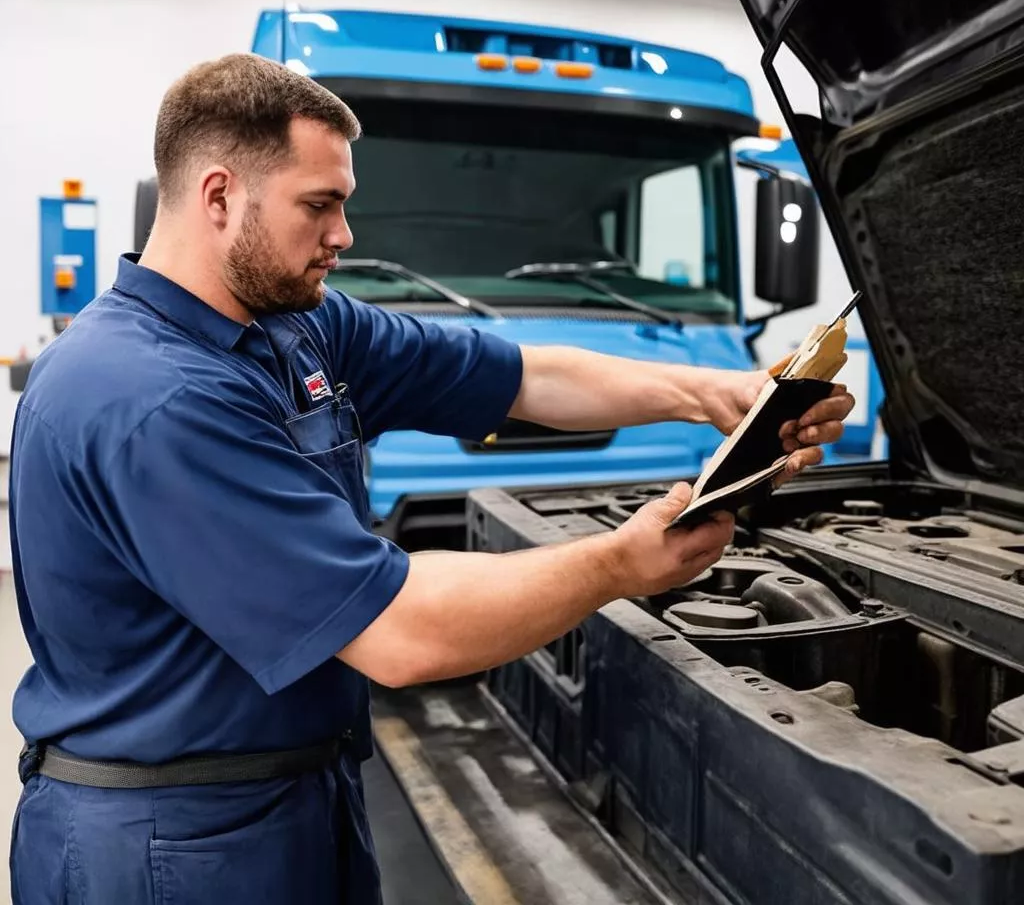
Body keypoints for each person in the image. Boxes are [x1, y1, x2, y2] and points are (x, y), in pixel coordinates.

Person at [7, 53, 855, 905]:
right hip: (168, 844)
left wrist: (718, 393)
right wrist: (621, 562)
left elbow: (523, 377)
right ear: (219, 195)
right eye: (320, 205)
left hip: (292, 794)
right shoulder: (149, 398)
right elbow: (400, 633)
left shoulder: (297, 329)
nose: (344, 235)